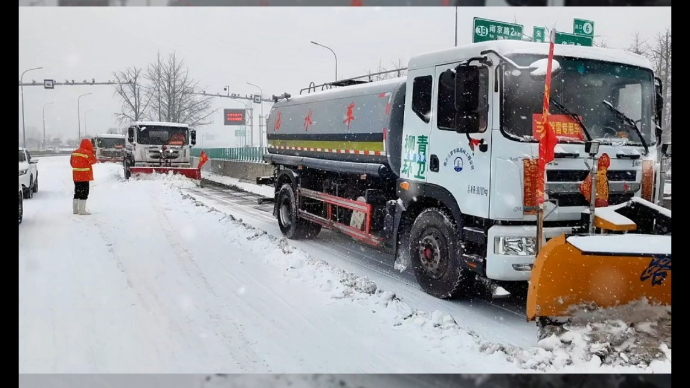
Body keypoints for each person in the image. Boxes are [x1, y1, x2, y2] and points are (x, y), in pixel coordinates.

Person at [70, 138, 98, 215]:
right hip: (84, 176)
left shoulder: (74, 152)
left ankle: (75, 209)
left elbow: (72, 163)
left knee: (77, 191)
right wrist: (92, 152)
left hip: (76, 176)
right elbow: (94, 161)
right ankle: (82, 210)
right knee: (84, 192)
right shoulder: (88, 153)